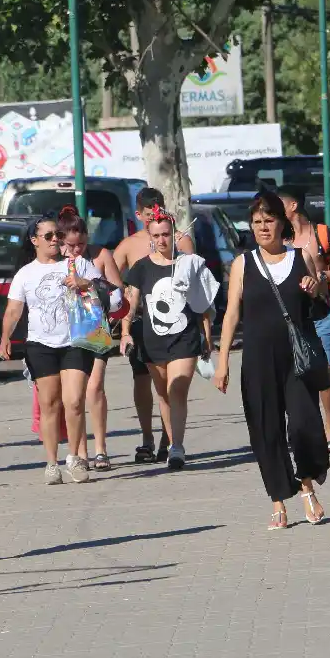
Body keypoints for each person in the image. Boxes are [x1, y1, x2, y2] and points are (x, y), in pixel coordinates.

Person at [213, 190, 330, 530]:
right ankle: (279, 500)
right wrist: (223, 362)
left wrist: (314, 288)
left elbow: (320, 308)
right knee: (267, 430)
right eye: (257, 222)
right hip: (258, 359)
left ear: (282, 223)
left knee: (305, 425)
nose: (264, 227)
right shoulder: (242, 264)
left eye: (269, 221)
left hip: (296, 358)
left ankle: (306, 485)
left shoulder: (300, 257)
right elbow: (232, 314)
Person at [0, 215, 103, 485]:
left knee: (75, 402)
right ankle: (51, 462)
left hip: (75, 341)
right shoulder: (26, 273)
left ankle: (76, 458)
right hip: (40, 345)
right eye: (48, 236)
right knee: (49, 405)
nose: (55, 240)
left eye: (57, 234)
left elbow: (109, 294)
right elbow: (13, 309)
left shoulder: (77, 264)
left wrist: (86, 284)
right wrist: (5, 338)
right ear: (34, 241)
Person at [120, 210, 219, 471]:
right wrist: (125, 331)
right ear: (150, 237)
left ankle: (177, 447)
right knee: (163, 394)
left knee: (177, 388)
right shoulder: (141, 267)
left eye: (166, 234)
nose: (162, 240)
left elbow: (203, 306)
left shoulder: (190, 263)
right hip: (153, 340)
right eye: (156, 235)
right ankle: (172, 441)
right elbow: (132, 304)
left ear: (175, 234)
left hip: (185, 338)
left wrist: (207, 337)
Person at [276, 185, 330, 458]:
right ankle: (300, 428)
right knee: (292, 374)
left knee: (323, 371)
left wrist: (321, 276)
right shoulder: (276, 240)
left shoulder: (322, 234)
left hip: (320, 312)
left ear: (292, 207)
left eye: (278, 205)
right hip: (287, 318)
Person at [114, 188, 195, 464]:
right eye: (149, 214)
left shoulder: (181, 241)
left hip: (176, 324)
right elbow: (114, 282)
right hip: (141, 323)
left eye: (159, 211)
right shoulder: (129, 245)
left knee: (173, 386)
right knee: (144, 383)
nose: (155, 216)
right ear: (140, 216)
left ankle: (169, 439)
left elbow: (192, 281)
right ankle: (147, 436)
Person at [58, 208, 126, 471]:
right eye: (71, 245)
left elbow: (119, 293)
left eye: (81, 244)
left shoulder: (100, 256)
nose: (76, 250)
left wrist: (88, 283)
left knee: (94, 387)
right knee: (74, 396)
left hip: (96, 326)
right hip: (65, 332)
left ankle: (101, 449)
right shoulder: (56, 260)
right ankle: (81, 451)